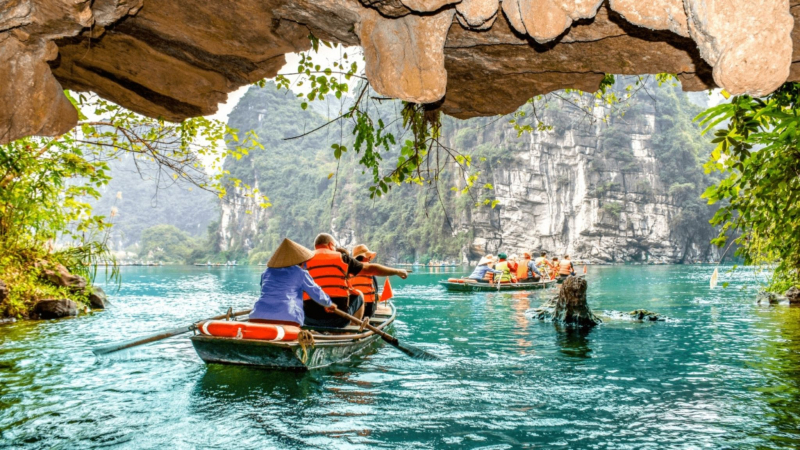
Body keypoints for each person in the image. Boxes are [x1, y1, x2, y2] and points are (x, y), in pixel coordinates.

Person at [303, 233, 408, 328]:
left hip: (309, 320)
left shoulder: (303, 261)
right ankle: (353, 327)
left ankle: (312, 330)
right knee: (359, 295)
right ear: (331, 245)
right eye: (335, 247)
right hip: (339, 320)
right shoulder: (342, 258)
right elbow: (371, 269)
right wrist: (397, 271)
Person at [249, 238, 335, 326]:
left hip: (257, 316)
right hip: (288, 318)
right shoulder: (301, 273)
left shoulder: (266, 272)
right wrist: (328, 304)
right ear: (300, 261)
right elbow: (316, 292)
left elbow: (264, 292)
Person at [349, 244, 380, 318]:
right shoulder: (370, 271)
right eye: (368, 257)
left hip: (352, 309)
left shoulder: (348, 270)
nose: (369, 259)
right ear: (364, 257)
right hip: (368, 309)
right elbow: (376, 290)